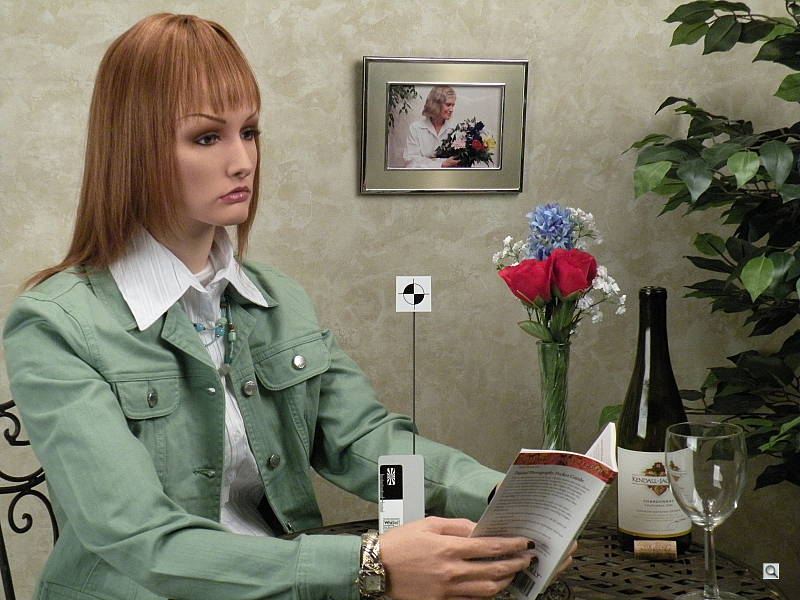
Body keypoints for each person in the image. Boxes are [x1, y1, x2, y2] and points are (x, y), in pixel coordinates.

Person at [3, 14, 574, 600]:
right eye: (207, 138)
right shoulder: (55, 325)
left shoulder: (277, 298)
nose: (243, 161)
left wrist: (505, 500)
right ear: (133, 149)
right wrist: (369, 564)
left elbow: (363, 441)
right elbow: (139, 537)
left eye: (249, 131)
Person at [403, 85, 462, 168]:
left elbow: (458, 161)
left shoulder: (455, 129)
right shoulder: (416, 128)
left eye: (453, 105)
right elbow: (410, 162)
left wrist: (428, 160)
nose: (451, 109)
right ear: (436, 104)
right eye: (448, 105)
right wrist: (442, 163)